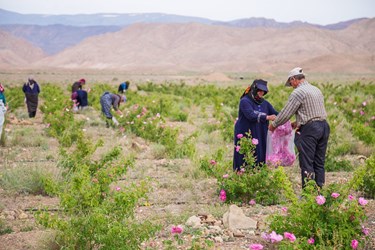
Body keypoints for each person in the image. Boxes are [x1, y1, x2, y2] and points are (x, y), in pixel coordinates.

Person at [269, 67, 330, 189]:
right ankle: (319, 191)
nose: (291, 85)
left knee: (307, 161)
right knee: (319, 161)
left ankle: (308, 192)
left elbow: (286, 113)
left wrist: (274, 125)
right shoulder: (316, 89)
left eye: (290, 82)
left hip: (310, 129)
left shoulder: (298, 92)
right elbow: (312, 112)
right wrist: (297, 123)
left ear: (293, 79)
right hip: (324, 127)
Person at [233, 79, 278, 171]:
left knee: (260, 152)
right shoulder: (245, 101)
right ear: (254, 89)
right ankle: (242, 177)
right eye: (260, 90)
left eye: (263, 91)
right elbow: (251, 115)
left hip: (260, 133)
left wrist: (287, 117)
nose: (262, 93)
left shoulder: (265, 103)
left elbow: (276, 113)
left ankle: (258, 175)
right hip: (246, 133)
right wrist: (267, 117)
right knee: (245, 154)